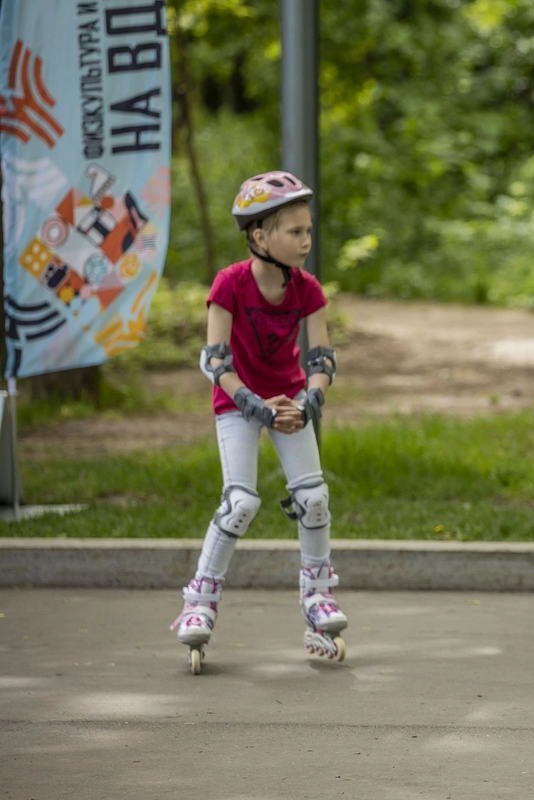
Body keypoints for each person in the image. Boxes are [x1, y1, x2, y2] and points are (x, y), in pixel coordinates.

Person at [169, 171, 347, 674]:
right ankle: (199, 599)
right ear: (259, 236)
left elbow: (322, 358)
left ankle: (318, 596)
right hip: (238, 401)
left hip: (288, 400)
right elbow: (214, 361)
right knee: (241, 501)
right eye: (294, 232)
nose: (306, 241)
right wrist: (251, 403)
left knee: (314, 496)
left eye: (308, 231)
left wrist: (309, 401)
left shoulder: (307, 288)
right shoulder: (230, 283)